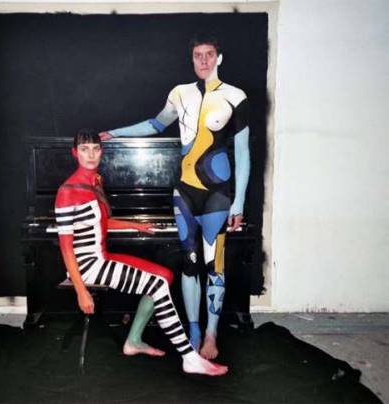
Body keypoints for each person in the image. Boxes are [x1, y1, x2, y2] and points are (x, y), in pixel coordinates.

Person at [99, 34, 251, 360]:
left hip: (217, 194)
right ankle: (193, 330)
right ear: (192, 58)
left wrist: (238, 201)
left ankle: (211, 335)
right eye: (198, 55)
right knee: (189, 262)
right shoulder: (179, 93)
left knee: (214, 265)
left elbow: (243, 152)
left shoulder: (235, 96)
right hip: (184, 192)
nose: (203, 60)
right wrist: (115, 132)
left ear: (219, 58)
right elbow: (155, 125)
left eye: (209, 54)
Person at [54, 128, 228, 376]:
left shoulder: (95, 182)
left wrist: (137, 226)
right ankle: (189, 358)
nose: (91, 155)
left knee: (165, 275)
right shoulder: (68, 191)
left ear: (101, 151)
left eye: (95, 148)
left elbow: (101, 223)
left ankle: (133, 341)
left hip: (101, 258)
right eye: (84, 149)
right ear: (75, 153)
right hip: (87, 266)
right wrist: (81, 291)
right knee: (157, 285)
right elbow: (66, 248)